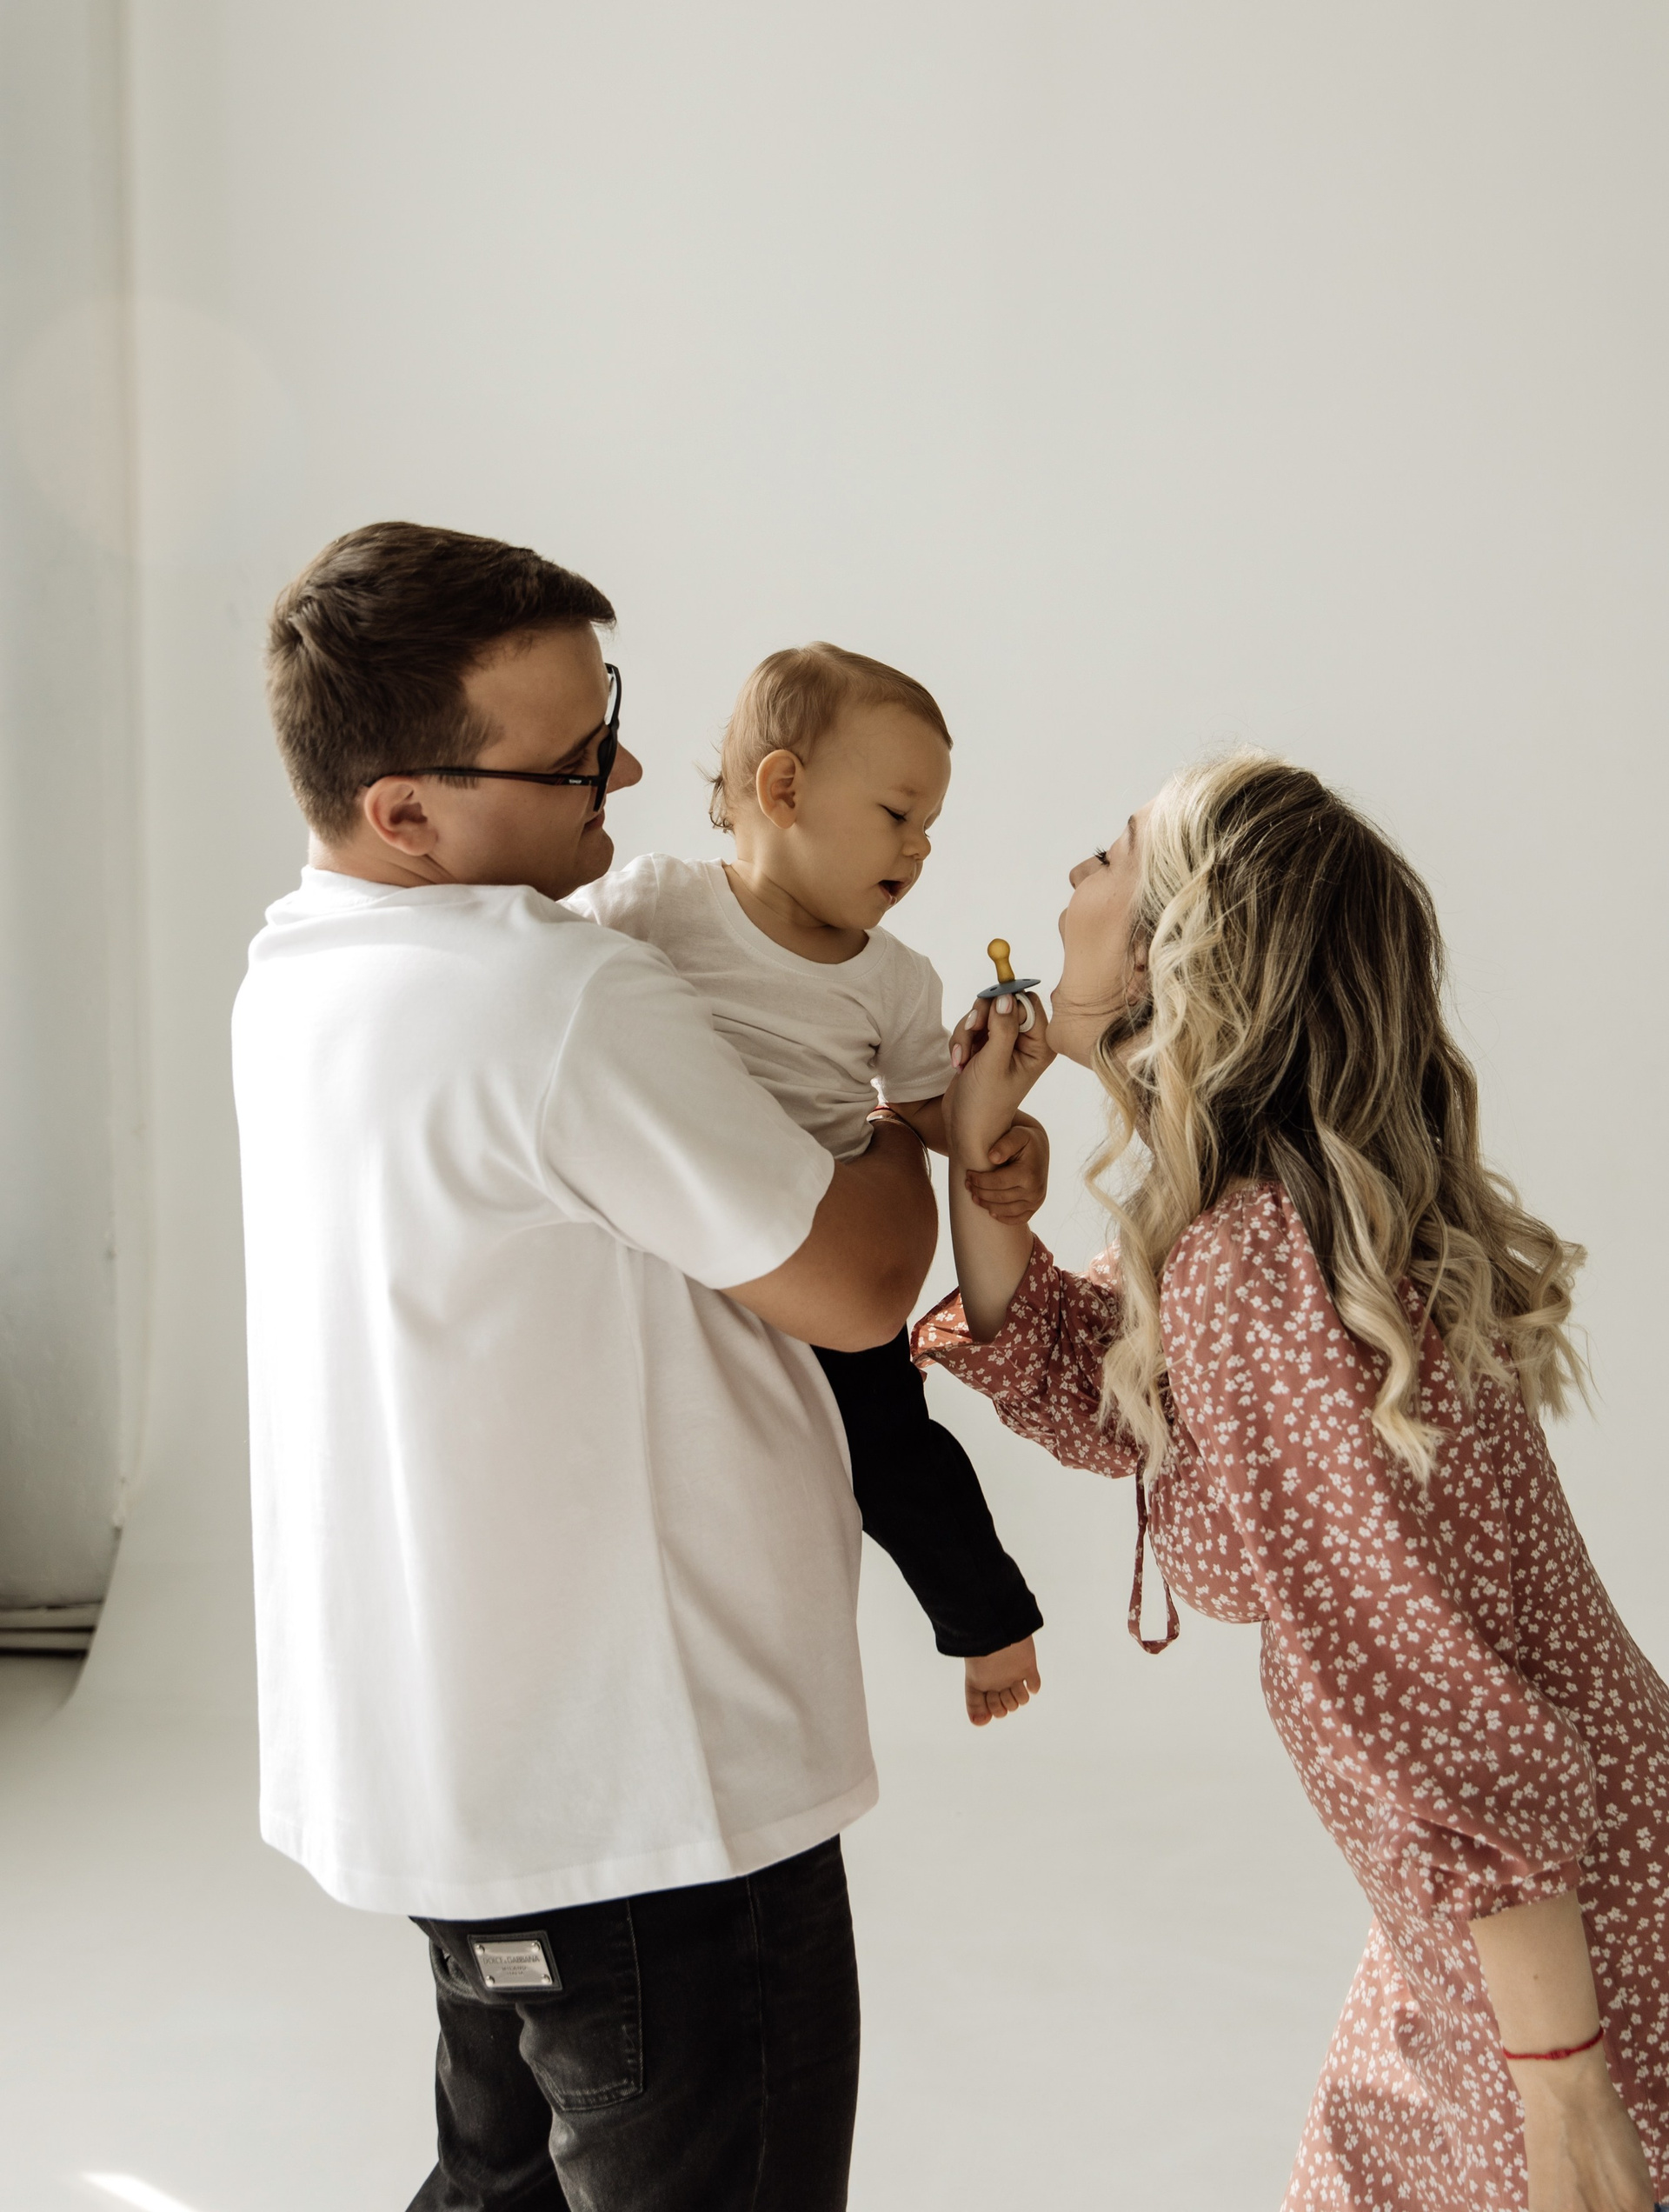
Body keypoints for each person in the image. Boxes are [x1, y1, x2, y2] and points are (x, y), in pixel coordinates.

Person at [232, 522, 940, 2212]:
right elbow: (858, 1286)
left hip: (469, 1797)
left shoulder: (300, 969)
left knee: (497, 2187)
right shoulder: (555, 999)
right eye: (569, 757)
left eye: (606, 714)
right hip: (657, 1813)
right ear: (405, 811)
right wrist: (906, 1119)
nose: (623, 768)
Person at [914, 750, 1669, 2212]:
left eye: (1109, 856)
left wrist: (1569, 2092)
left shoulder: (1264, 1266)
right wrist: (979, 1166)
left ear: (1183, 956)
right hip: (1513, 1904)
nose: (1071, 878)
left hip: (1563, 1933)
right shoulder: (1258, 1233)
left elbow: (1429, 1691)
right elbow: (1114, 1401)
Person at [569, 642, 1044, 1725]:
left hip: (821, 1244)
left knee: (897, 1454)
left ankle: (987, 1620)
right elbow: (546, 979)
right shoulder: (653, 903)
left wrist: (1002, 1116)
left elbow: (929, 1111)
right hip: (672, 1241)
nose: (920, 847)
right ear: (783, 790)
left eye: (931, 826)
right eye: (899, 814)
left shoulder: (894, 979)